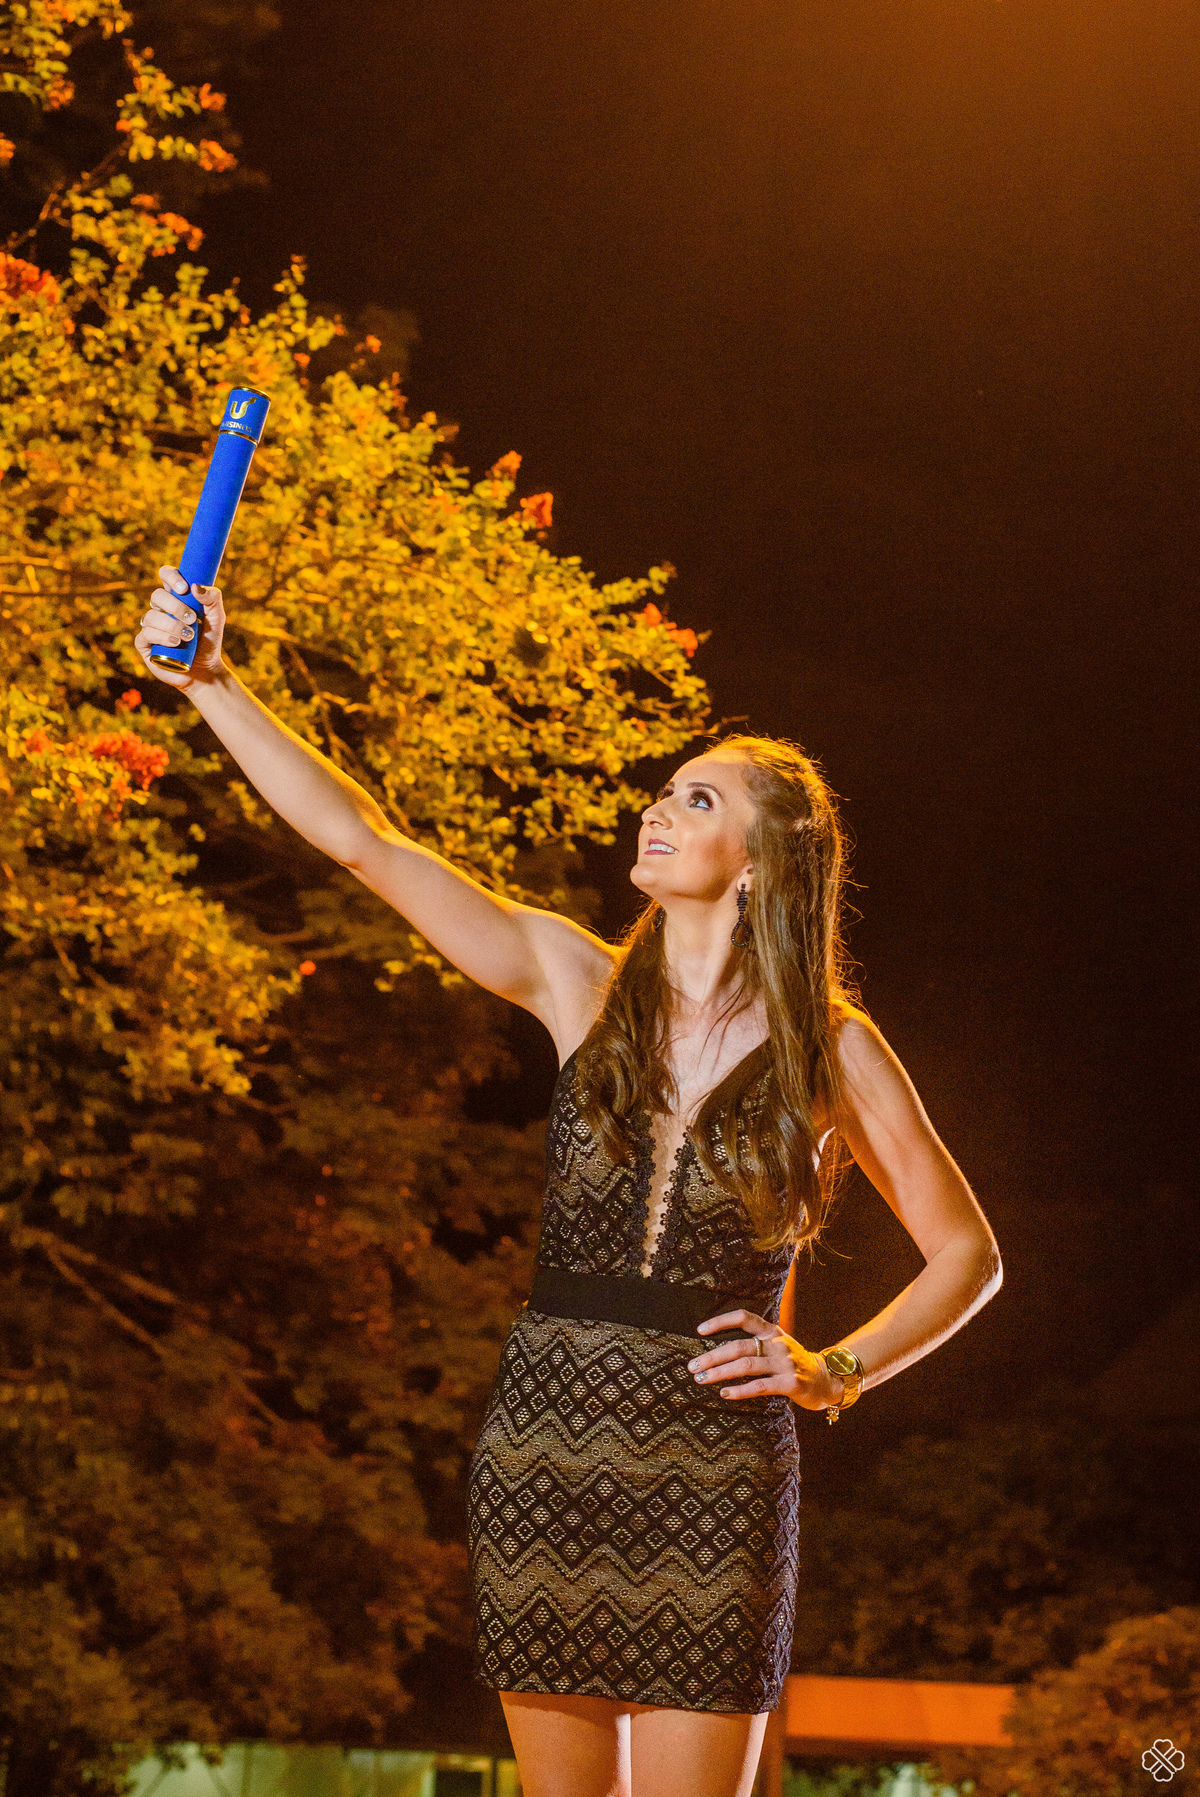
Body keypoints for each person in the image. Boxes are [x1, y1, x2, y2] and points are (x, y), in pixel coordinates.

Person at [136, 570, 1003, 1797]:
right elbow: (363, 843)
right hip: (547, 1441)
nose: (656, 812)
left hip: (715, 1465)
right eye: (660, 792)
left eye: (695, 800)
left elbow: (970, 1254)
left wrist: (834, 1370)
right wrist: (215, 687)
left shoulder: (834, 1047)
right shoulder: (569, 976)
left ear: (760, 863)